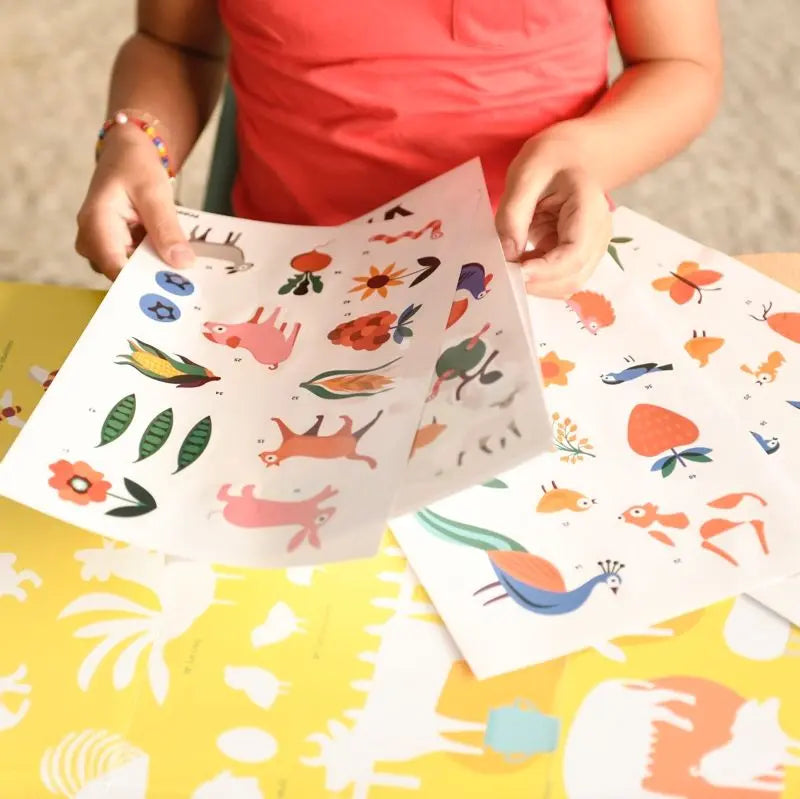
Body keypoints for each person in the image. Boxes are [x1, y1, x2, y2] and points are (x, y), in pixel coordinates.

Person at [76, 0, 722, 298]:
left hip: (535, 271)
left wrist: (589, 149)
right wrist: (137, 141)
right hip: (290, 275)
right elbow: (175, 43)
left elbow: (680, 62)